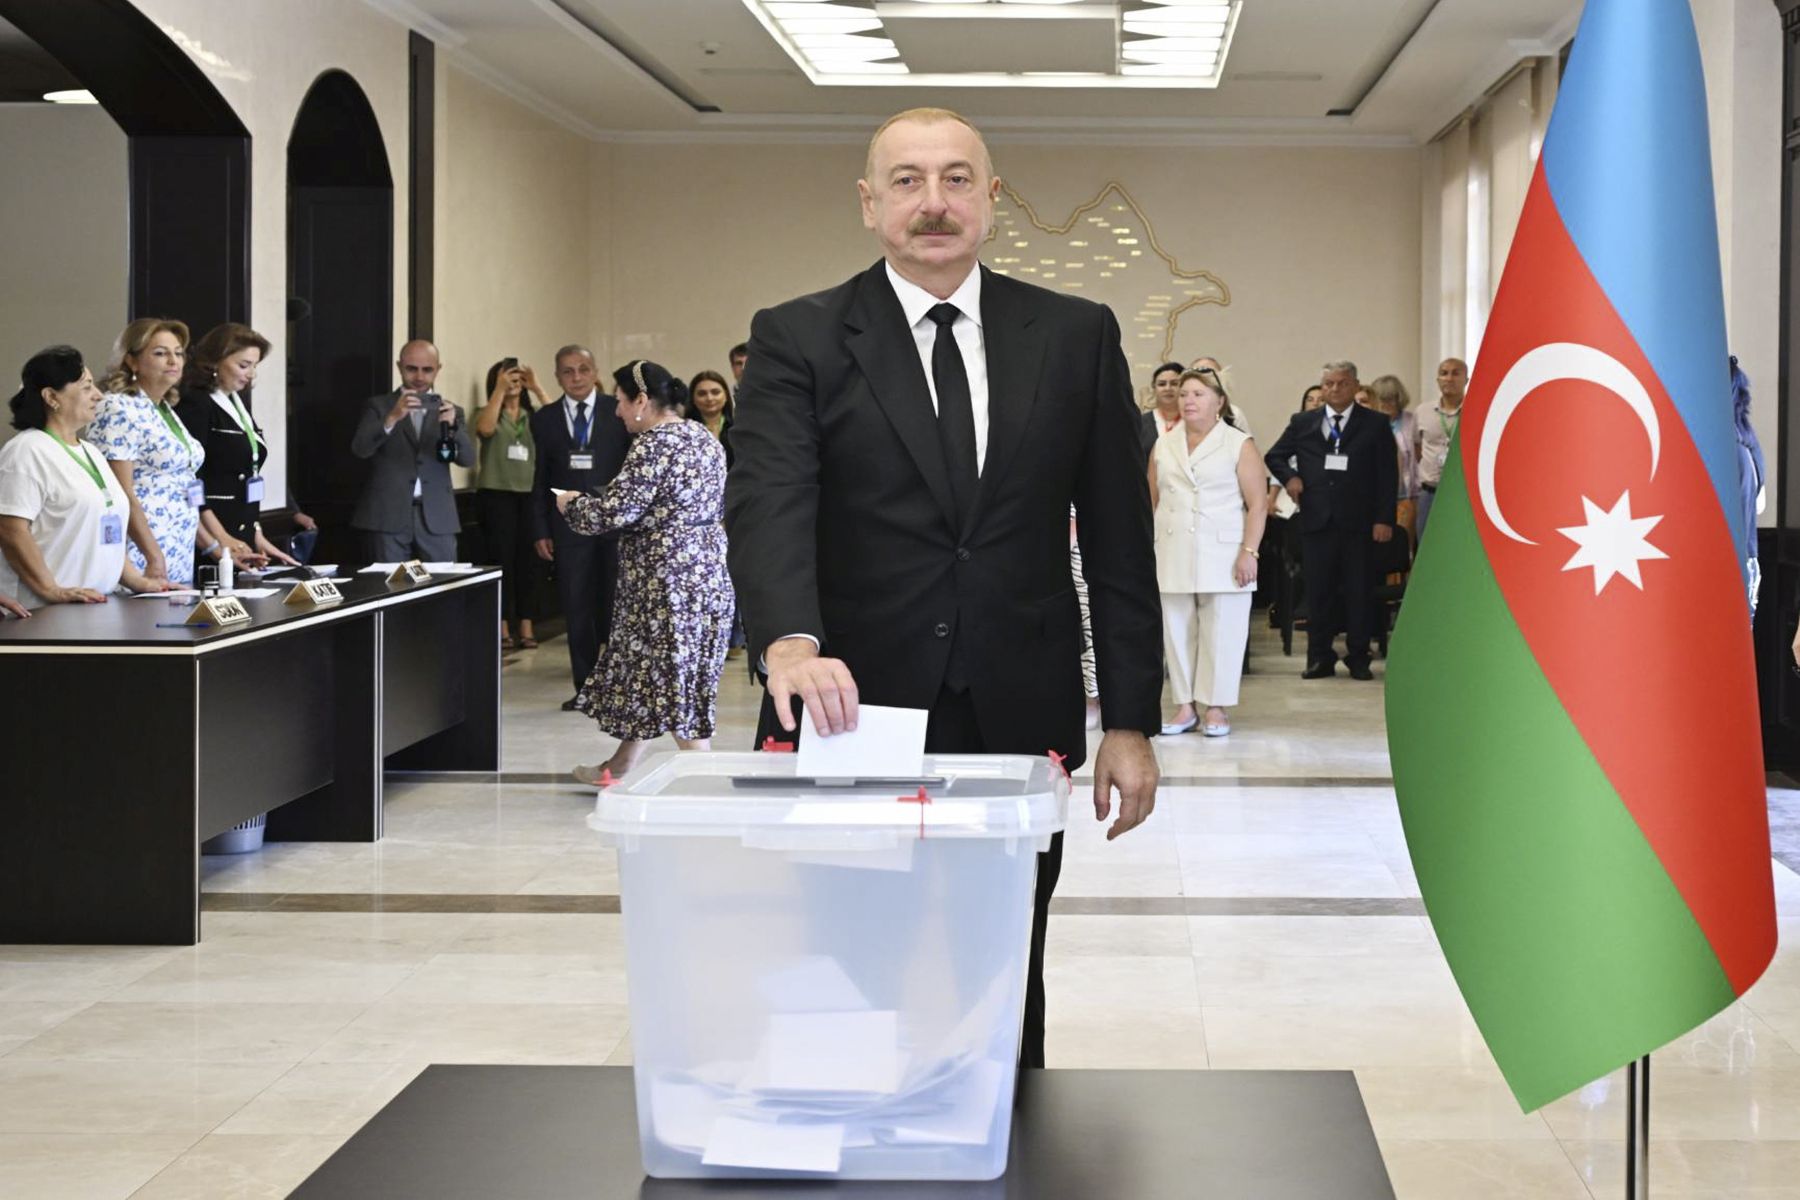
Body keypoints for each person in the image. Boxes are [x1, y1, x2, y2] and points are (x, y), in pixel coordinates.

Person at [724, 106, 1162, 1069]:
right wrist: (788, 639)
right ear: (869, 202)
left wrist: (1130, 719)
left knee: (1002, 965)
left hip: (1020, 707)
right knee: (851, 958)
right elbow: (770, 503)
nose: (934, 202)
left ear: (993, 200)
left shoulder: (1076, 335)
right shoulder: (798, 338)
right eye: (910, 180)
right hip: (852, 707)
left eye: (958, 178)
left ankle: (1006, 1141)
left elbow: (1123, 545)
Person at [557, 360, 733, 779]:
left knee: (671, 679)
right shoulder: (703, 438)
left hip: (665, 581)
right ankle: (617, 768)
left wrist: (571, 505)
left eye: (619, 401)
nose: (616, 411)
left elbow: (614, 512)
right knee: (656, 673)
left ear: (641, 401)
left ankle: (703, 775)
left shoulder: (654, 443)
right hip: (706, 571)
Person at [0, 346, 170, 607]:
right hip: (41, 610)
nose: (99, 396)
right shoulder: (26, 451)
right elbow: (11, 530)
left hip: (95, 603)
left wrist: (135, 580)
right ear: (51, 397)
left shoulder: (90, 451)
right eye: (86, 387)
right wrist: (51, 590)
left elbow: (103, 531)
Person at [1151, 367, 1267, 736]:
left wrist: (1250, 551)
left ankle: (1216, 706)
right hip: (1172, 546)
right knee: (1176, 627)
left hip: (1224, 550)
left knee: (1222, 629)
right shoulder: (1164, 442)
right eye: (1184, 394)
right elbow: (1150, 499)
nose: (1188, 400)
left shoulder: (1238, 442)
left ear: (1219, 402)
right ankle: (1184, 706)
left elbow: (1258, 503)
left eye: (1198, 394)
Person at [1265, 360, 1396, 681]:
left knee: (1358, 591)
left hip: (1360, 522)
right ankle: (1319, 656)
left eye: (1341, 383)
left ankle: (1359, 656)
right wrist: (1291, 477)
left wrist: (1384, 519)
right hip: (1317, 520)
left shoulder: (1374, 424)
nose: (1334, 389)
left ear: (1354, 386)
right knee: (1318, 592)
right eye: (1328, 384)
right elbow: (1274, 455)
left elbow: (1387, 476)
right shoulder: (1303, 421)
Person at [530, 344, 631, 710]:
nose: (576, 378)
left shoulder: (616, 410)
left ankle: (617, 687)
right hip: (569, 528)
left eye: (583, 369)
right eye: (568, 371)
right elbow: (540, 478)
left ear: (594, 371)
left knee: (616, 607)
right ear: (557, 376)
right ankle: (586, 689)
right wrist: (541, 528)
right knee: (577, 607)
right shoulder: (544, 418)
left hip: (615, 525)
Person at [88, 318, 203, 586]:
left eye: (178, 353)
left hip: (179, 543)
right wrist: (151, 554)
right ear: (132, 361)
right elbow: (120, 491)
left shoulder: (165, 408)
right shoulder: (118, 407)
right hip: (140, 549)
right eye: (161, 353)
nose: (173, 361)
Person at [178, 322, 301, 571]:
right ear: (214, 362)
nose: (251, 374)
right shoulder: (197, 403)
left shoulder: (235, 402)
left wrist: (258, 535)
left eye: (254, 366)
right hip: (210, 534)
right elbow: (192, 478)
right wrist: (219, 537)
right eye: (243, 365)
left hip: (241, 528)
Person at [349, 340, 474, 562]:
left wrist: (453, 426)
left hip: (437, 514)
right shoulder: (378, 406)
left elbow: (467, 459)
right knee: (391, 589)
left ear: (438, 369)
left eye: (427, 370)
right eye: (411, 368)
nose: (419, 377)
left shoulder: (451, 411)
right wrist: (393, 417)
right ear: (399, 367)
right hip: (388, 513)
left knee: (444, 588)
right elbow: (360, 449)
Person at [476, 356, 549, 649]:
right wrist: (499, 391)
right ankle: (502, 626)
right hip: (496, 494)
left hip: (530, 495)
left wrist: (538, 387)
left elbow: (560, 422)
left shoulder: (534, 418)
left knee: (529, 563)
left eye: (518, 380)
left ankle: (527, 625)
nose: (514, 384)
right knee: (501, 559)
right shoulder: (486, 411)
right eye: (508, 379)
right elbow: (485, 429)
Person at [1413, 357, 1466, 543]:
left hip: (1463, 494)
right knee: (1427, 545)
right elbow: (1417, 447)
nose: (1449, 378)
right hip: (1430, 493)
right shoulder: (1423, 411)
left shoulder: (1476, 410)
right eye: (1444, 373)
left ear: (1466, 380)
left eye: (1455, 373)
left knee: (1459, 545)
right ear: (1437, 380)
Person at [1362, 374, 1417, 544]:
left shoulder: (1411, 421)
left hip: (1406, 495)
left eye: (1391, 399)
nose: (1386, 404)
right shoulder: (1367, 424)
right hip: (1374, 497)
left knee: (1402, 544)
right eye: (1381, 399)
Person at [1732, 356, 1767, 616]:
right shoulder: (1750, 448)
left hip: (1730, 563)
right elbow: (1761, 505)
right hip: (1747, 560)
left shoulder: (1729, 450)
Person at [687, 369, 735, 467]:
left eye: (715, 392)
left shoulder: (739, 429)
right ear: (693, 399)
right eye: (702, 394)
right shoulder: (685, 433)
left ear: (726, 396)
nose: (709, 398)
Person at [1139, 361, 1184, 461]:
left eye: (1174, 383)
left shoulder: (1193, 421)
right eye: (1162, 384)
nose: (1168, 388)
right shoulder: (1140, 423)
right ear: (1154, 388)